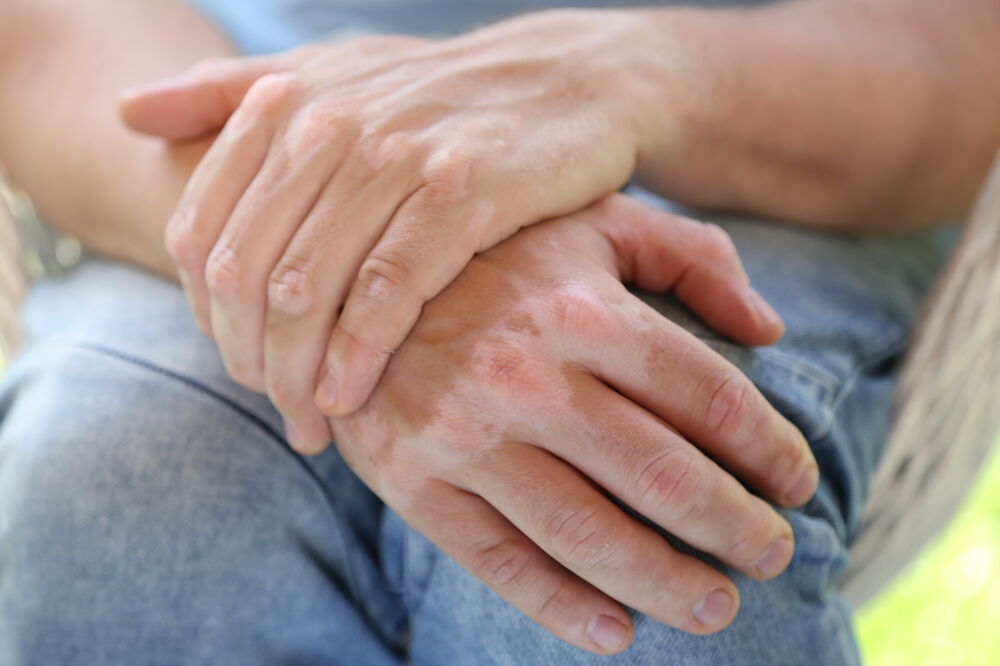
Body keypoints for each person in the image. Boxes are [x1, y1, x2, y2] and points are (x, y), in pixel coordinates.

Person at [0, 0, 995, 663]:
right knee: (115, 479)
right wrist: (340, 238)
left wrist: (621, 73)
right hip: (230, 129)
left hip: (762, 155)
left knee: (637, 507)